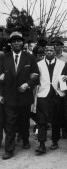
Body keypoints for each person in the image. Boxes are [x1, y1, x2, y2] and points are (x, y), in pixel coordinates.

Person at [0, 32, 39, 160]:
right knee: (10, 124)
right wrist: (1, 94)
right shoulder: (4, 58)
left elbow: (36, 75)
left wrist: (27, 84)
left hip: (24, 96)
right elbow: (0, 78)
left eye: (19, 41)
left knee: (23, 122)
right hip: (9, 96)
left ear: (23, 43)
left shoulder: (30, 57)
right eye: (13, 41)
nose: (16, 43)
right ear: (10, 44)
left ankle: (25, 140)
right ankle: (9, 149)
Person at [35, 43, 66, 154]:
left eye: (51, 51)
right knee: (41, 119)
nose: (49, 52)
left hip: (56, 94)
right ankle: (41, 144)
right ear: (44, 52)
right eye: (47, 51)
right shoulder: (39, 64)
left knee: (56, 119)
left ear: (55, 51)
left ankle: (55, 141)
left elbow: (65, 76)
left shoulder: (62, 64)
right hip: (43, 94)